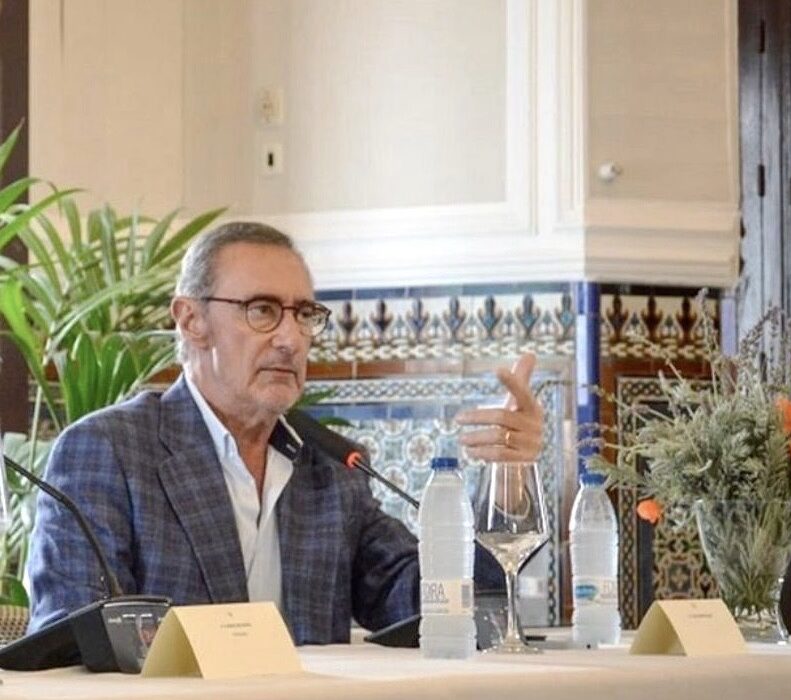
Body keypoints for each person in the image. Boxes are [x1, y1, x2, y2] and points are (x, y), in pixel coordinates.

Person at [25, 222, 544, 644]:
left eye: (304, 315)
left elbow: (430, 603)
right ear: (191, 320)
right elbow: (74, 641)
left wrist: (507, 480)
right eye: (263, 311)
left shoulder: (332, 469)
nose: (291, 339)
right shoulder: (109, 452)